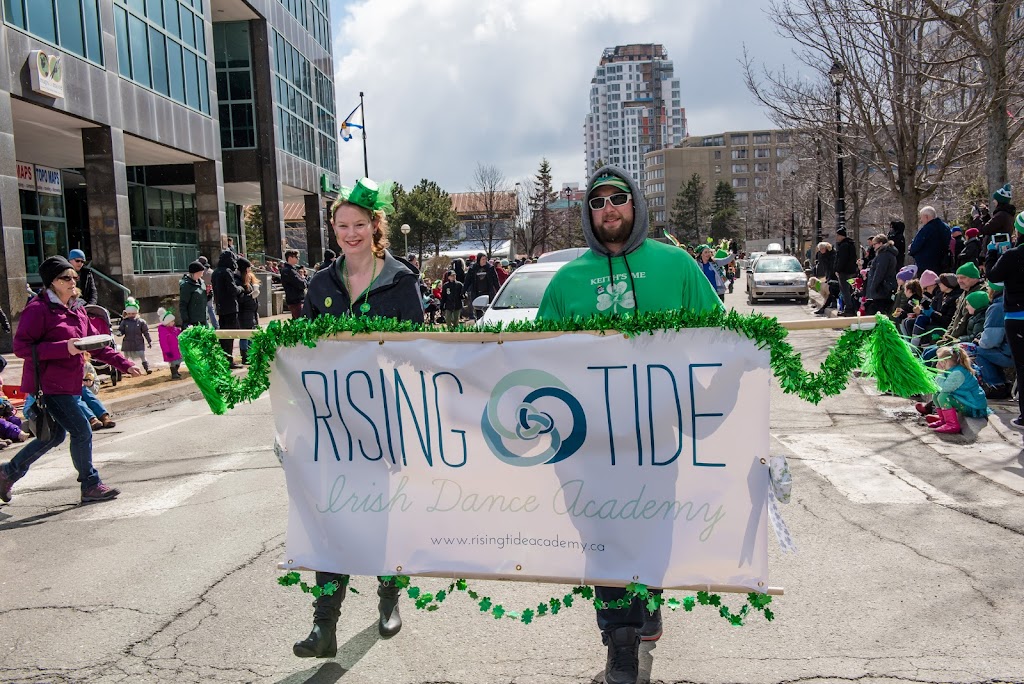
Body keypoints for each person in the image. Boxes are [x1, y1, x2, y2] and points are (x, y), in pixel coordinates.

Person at [537, 166, 722, 684]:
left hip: (654, 439)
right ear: (587, 213)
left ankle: (647, 605)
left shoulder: (677, 266)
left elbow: (723, 339)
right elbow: (541, 364)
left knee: (649, 532)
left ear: (636, 204)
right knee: (600, 538)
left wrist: (711, 405)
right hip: (586, 445)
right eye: (598, 202)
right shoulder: (567, 281)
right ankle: (621, 647)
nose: (609, 209)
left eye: (618, 198)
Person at [294, 177, 423, 659]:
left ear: (376, 227)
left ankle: (388, 600)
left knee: (385, 515)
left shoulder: (402, 280)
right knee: (333, 518)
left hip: (387, 422)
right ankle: (323, 625)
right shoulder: (320, 283)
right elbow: (306, 352)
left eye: (360, 225)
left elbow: (418, 354)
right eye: (343, 225)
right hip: (333, 423)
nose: (351, 233)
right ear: (334, 229)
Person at [0, 256, 142, 504]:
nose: (72, 281)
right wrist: (64, 348)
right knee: (82, 430)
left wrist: (125, 364)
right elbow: (22, 348)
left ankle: (7, 473)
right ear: (52, 282)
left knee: (53, 437)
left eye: (74, 277)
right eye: (66, 277)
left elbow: (94, 344)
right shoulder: (38, 309)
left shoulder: (77, 309)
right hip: (48, 385)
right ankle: (90, 484)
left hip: (71, 383)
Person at [985, 211, 1024, 427]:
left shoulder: (1012, 255)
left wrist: (992, 254)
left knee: (1022, 365)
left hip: (1017, 316)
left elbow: (993, 276)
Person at [924, 345, 989, 434]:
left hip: (973, 406)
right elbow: (939, 387)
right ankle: (943, 419)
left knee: (943, 397)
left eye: (940, 361)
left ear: (945, 361)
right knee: (936, 395)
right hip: (964, 400)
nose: (938, 363)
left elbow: (944, 389)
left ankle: (952, 424)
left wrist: (940, 372)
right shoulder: (951, 370)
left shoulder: (957, 373)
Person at [973, 282, 1013, 400]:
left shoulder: (997, 308)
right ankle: (1003, 383)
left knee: (976, 350)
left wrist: (978, 341)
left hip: (1010, 354)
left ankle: (996, 385)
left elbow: (990, 341)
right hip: (1014, 351)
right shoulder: (1011, 303)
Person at [212, 250, 243, 369]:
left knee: (223, 335)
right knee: (230, 335)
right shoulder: (227, 272)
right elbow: (233, 290)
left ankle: (223, 359)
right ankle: (228, 360)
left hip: (220, 307)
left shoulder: (215, 272)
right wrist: (241, 288)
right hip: (230, 307)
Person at [908, 206, 952, 275]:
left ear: (926, 217)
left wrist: (911, 249)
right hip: (942, 263)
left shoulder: (926, 229)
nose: (921, 220)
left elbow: (916, 245)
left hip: (926, 265)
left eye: (921, 217)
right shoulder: (946, 227)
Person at [864, 234, 899, 315]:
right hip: (884, 287)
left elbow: (879, 273)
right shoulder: (886, 254)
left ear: (880, 243)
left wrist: (872, 287)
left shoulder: (884, 255)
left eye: (874, 244)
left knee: (877, 312)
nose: (873, 247)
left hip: (881, 289)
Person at [79, 353, 115, 429]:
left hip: (85, 391)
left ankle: (104, 417)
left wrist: (90, 385)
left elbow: (95, 390)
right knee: (77, 399)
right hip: (70, 393)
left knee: (86, 392)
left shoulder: (87, 366)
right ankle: (92, 419)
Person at [118, 297, 152, 374]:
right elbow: (121, 330)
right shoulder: (124, 322)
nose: (131, 315)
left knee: (142, 355)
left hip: (138, 342)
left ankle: (147, 367)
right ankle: (123, 368)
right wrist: (120, 332)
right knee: (126, 357)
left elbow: (146, 332)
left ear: (137, 313)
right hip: (128, 343)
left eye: (133, 313)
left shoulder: (141, 322)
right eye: (129, 313)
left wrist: (149, 341)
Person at [236, 258, 260, 365]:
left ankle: (251, 353)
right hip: (244, 312)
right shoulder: (238, 281)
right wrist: (251, 296)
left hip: (251, 311)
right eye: (248, 268)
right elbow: (240, 299)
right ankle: (245, 356)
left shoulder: (247, 279)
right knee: (245, 335)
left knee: (251, 334)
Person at [465, 252, 500, 317]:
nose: (484, 261)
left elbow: (495, 281)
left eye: (485, 259)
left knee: (488, 311)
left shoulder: (490, 268)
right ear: (479, 260)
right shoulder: (473, 269)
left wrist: (499, 290)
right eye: (483, 259)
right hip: (477, 293)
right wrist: (463, 291)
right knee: (478, 312)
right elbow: (467, 281)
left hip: (488, 292)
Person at [834, 227, 859, 316]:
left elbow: (842, 260)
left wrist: (837, 269)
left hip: (844, 272)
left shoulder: (843, 246)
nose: (836, 237)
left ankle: (849, 308)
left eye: (837, 235)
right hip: (852, 271)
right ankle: (851, 306)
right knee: (850, 289)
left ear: (841, 236)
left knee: (845, 290)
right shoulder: (851, 244)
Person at [179, 261, 209, 329]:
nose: (201, 275)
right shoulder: (186, 286)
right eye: (200, 273)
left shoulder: (202, 282)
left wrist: (209, 295)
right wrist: (186, 321)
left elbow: (203, 299)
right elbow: (183, 305)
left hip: (203, 320)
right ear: (194, 273)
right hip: (193, 322)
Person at [280, 250, 307, 320]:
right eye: (296, 257)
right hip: (295, 300)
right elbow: (302, 284)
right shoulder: (289, 271)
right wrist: (303, 279)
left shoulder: (290, 270)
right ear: (290, 257)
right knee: (301, 322)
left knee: (297, 321)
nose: (298, 259)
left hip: (294, 300)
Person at [157, 307, 183, 380]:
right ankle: (174, 374)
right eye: (172, 321)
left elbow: (179, 333)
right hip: (170, 350)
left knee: (178, 361)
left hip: (176, 349)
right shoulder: (163, 332)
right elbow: (163, 343)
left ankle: (176, 371)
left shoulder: (174, 329)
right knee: (173, 363)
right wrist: (167, 351)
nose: (173, 323)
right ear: (167, 322)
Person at [812, 242, 837, 315]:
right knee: (830, 290)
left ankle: (827, 306)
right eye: (820, 249)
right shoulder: (822, 255)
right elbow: (823, 266)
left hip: (834, 273)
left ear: (826, 248)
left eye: (822, 249)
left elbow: (832, 266)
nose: (821, 250)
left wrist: (830, 275)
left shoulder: (832, 255)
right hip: (828, 273)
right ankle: (828, 305)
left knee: (831, 289)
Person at [198, 256, 218, 330]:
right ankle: (216, 325)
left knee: (203, 309)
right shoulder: (211, 271)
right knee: (211, 309)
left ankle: (206, 325)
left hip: (202, 292)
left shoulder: (201, 272)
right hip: (210, 291)